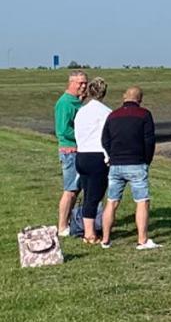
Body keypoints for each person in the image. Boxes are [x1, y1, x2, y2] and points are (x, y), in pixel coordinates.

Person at [100, 86, 160, 250]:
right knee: (142, 201)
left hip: (116, 164)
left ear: (124, 97)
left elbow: (104, 139)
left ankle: (105, 239)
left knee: (112, 201)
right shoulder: (144, 115)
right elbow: (149, 141)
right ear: (140, 99)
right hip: (136, 163)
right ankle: (142, 239)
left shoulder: (113, 115)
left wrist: (112, 155)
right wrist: (146, 161)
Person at [72, 78, 112, 243]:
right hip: (97, 155)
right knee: (94, 196)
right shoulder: (107, 112)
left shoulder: (82, 111)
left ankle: (90, 229)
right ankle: (89, 233)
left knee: (88, 192)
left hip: (82, 155)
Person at [54, 70, 88, 236]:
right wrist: (82, 136)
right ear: (71, 83)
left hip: (78, 150)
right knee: (70, 189)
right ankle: (61, 226)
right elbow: (62, 130)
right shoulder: (65, 103)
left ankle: (69, 220)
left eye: (85, 83)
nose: (83, 86)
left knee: (76, 188)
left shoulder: (76, 102)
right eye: (80, 83)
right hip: (70, 150)